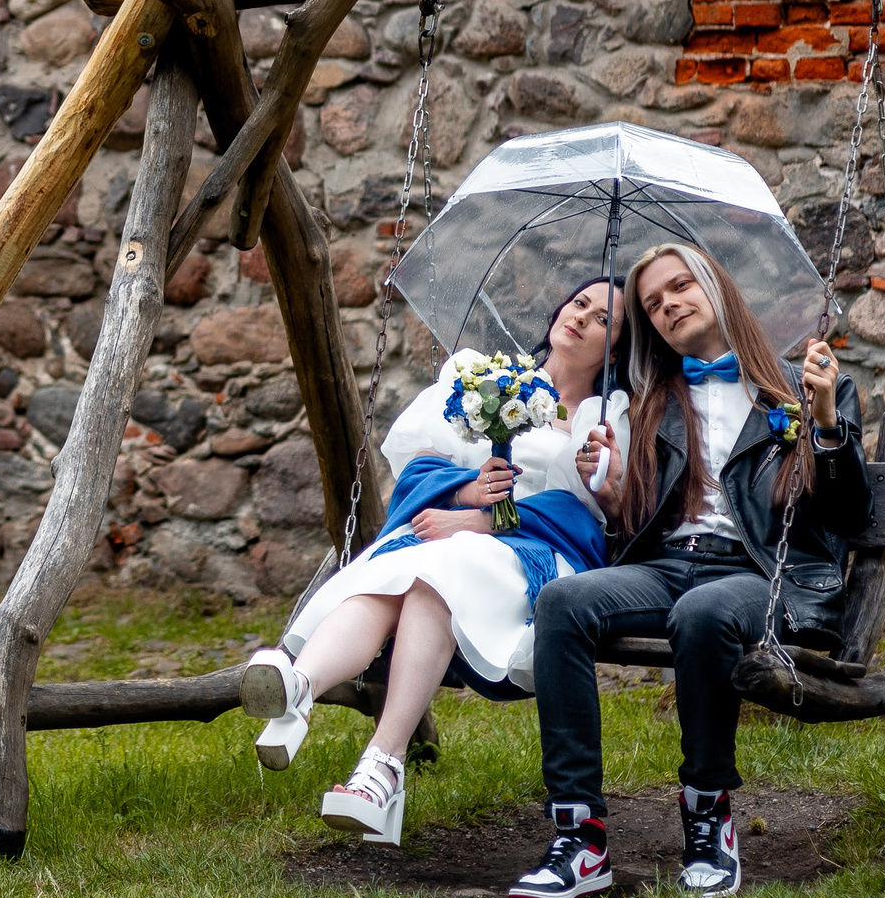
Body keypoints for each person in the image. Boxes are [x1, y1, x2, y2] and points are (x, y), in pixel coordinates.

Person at [507, 242, 869, 898]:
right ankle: (579, 836)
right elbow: (638, 522)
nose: (669, 304)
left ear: (716, 288)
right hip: (669, 566)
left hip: (762, 572)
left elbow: (850, 511)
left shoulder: (801, 385)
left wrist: (822, 421)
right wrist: (614, 489)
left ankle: (708, 812)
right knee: (561, 602)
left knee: (701, 613)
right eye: (653, 302)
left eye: (680, 287)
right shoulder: (651, 400)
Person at [239, 277, 626, 848]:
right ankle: (302, 687)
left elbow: (596, 525)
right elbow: (418, 469)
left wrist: (495, 520)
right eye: (580, 302)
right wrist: (470, 493)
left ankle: (382, 763)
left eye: (602, 320)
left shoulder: (607, 418)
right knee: (404, 569)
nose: (582, 317)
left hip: (536, 560)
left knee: (442, 566)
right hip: (443, 540)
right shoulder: (482, 377)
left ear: (616, 349)